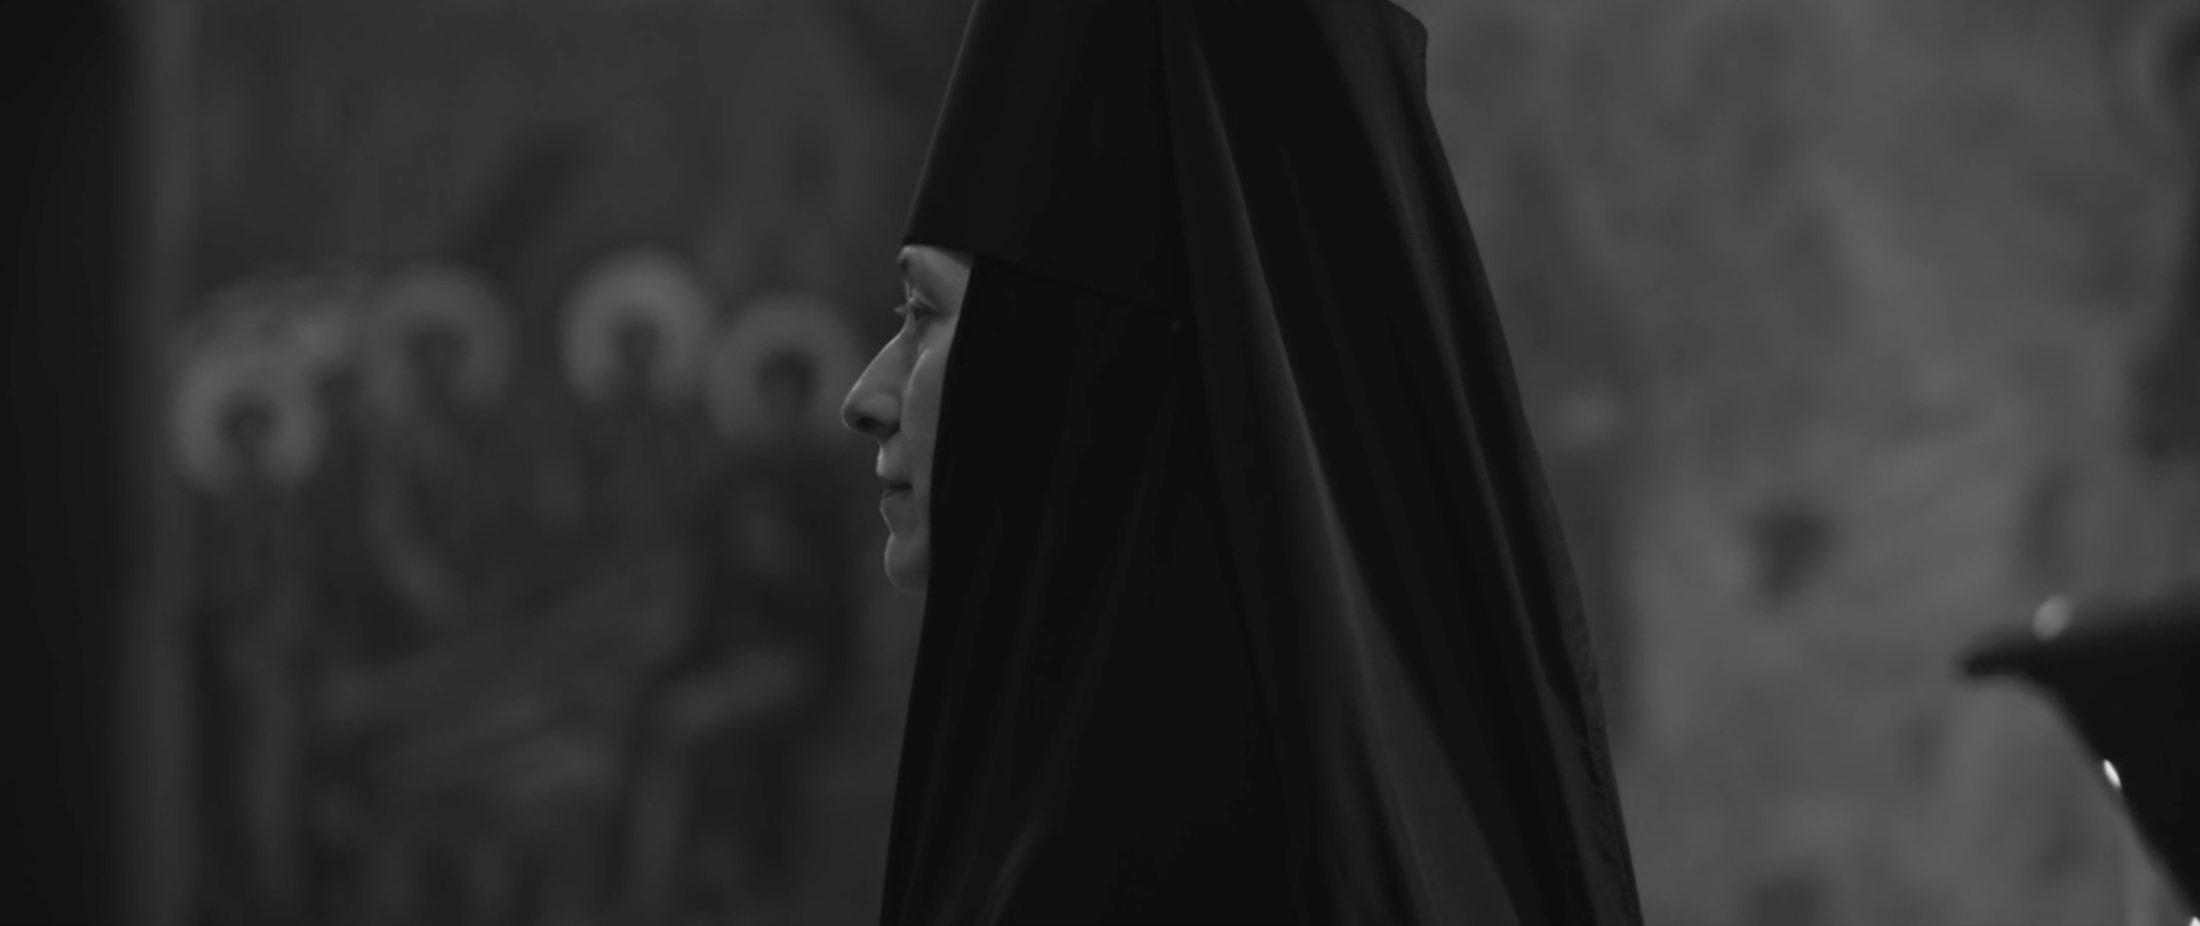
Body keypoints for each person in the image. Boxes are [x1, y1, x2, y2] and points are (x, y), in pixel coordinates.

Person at [841, 1, 1643, 923]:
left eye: (923, 313)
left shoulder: (1125, 866)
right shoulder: (1380, 812)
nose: (864, 396)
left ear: (1076, 370)